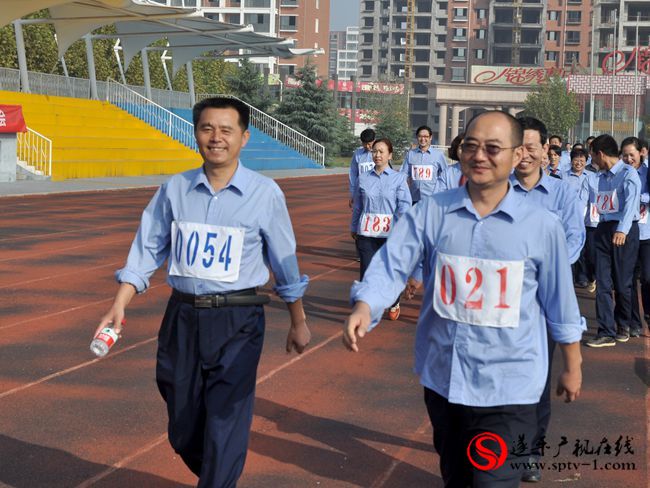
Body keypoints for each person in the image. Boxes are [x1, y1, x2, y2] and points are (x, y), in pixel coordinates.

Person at [343, 110, 584, 488]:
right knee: (456, 477)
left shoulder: (541, 226)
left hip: (512, 384)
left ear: (517, 153)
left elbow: (560, 300)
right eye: (471, 146)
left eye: (492, 147)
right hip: (446, 378)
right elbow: (392, 264)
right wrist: (365, 305)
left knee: (492, 481)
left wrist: (572, 361)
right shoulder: (431, 213)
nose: (479, 155)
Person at [94, 97, 311, 487]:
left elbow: (285, 262)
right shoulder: (174, 189)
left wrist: (298, 320)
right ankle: (214, 469)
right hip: (183, 318)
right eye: (207, 128)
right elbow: (146, 250)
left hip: (238, 319)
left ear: (244, 137)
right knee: (183, 423)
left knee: (227, 416)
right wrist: (118, 304)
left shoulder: (265, 194)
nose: (216, 138)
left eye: (226, 130)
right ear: (196, 134)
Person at [510, 117, 585, 483]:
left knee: (536, 382)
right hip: (502, 300)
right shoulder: (495, 191)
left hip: (543, 302)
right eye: (518, 147)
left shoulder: (563, 193)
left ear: (546, 151)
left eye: (532, 147)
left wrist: (544, 267)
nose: (525, 154)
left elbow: (574, 239)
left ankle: (529, 452)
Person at [585, 134, 641, 347]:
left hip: (624, 231)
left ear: (600, 154)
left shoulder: (628, 174)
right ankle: (605, 330)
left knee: (622, 283)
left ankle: (623, 324)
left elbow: (630, 205)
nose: (592, 162)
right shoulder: (599, 177)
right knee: (603, 282)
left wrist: (622, 230)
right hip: (603, 229)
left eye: (592, 157)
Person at [351, 138, 411, 320]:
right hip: (366, 233)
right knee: (367, 271)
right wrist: (354, 226)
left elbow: (404, 206)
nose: (377, 155)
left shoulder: (398, 178)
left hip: (390, 234)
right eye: (374, 151)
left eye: (381, 152)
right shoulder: (363, 178)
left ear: (389, 155)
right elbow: (358, 207)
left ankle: (393, 301)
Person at [620, 136, 649, 337]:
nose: (629, 158)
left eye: (632, 154)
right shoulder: (620, 173)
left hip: (646, 233)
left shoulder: (647, 172)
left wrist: (637, 196)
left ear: (642, 152)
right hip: (628, 232)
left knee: (647, 277)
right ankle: (633, 321)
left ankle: (647, 313)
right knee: (627, 279)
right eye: (625, 155)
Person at [399, 125, 448, 203]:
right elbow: (404, 173)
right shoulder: (411, 154)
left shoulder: (438, 155)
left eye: (426, 136)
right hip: (413, 198)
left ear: (430, 137)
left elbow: (445, 175)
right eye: (420, 136)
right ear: (417, 137)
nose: (423, 139)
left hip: (432, 199)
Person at [349, 128, 376, 206]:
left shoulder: (380, 153)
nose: (367, 146)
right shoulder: (358, 154)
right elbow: (353, 174)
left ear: (374, 140)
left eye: (369, 144)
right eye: (364, 144)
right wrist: (352, 193)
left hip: (376, 191)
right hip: (361, 191)